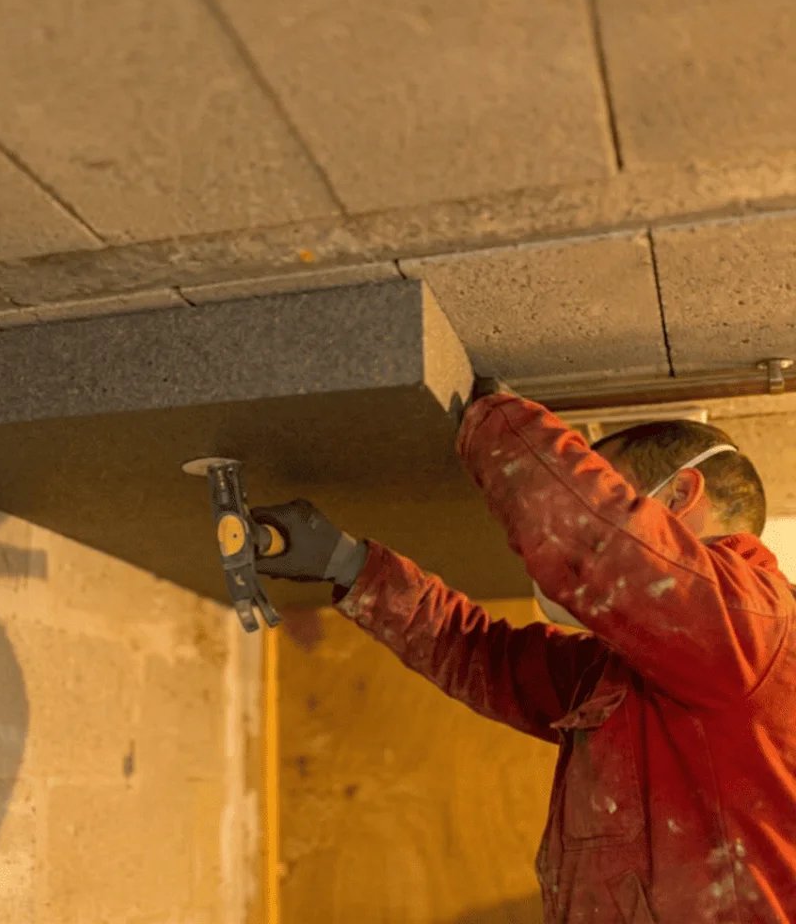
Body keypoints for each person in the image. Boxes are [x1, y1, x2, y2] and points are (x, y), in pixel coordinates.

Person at [251, 379, 796, 923]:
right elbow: (485, 658)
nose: (587, 499)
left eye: (607, 489)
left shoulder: (758, 623)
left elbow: (596, 540)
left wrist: (495, 415)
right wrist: (349, 566)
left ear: (678, 496)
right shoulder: (637, 674)